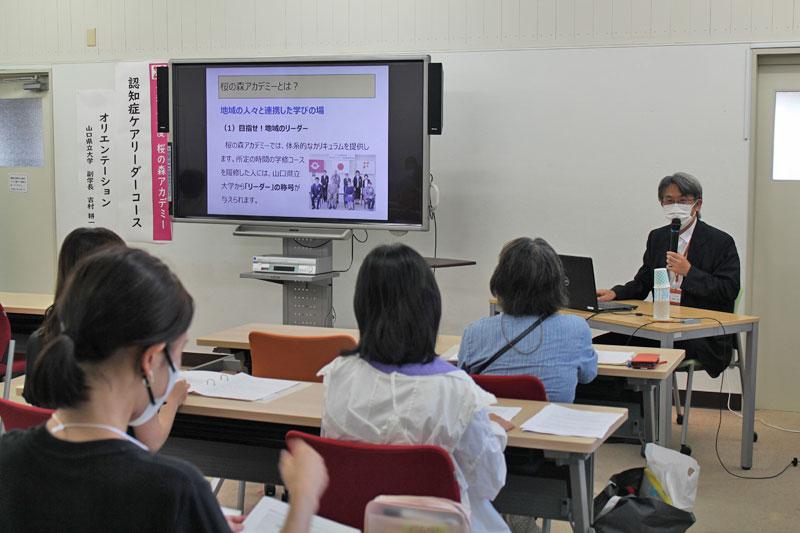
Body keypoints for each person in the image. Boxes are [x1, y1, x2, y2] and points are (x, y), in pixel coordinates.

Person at [0, 247, 329, 532]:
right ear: (151, 359)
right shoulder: (171, 489)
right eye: (179, 351)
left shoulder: (7, 458)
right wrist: (302, 500)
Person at [319, 244, 511, 532]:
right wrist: (493, 431)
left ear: (362, 304)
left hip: (354, 524)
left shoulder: (338, 374)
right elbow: (489, 484)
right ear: (429, 305)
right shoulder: (457, 391)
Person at [21, 227, 187, 453]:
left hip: (48, 462)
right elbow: (151, 441)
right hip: (119, 462)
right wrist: (173, 401)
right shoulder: (123, 354)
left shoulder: (39, 341)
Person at [595, 172, 741, 377]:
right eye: (669, 201)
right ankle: (627, 405)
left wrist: (689, 272)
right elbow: (643, 281)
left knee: (635, 355)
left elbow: (728, 290)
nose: (675, 206)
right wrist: (615, 293)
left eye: (682, 201)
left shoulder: (721, 242)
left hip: (699, 334)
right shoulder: (658, 237)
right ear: (661, 203)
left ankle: (640, 401)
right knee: (599, 348)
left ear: (697, 205)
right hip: (660, 326)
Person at [458, 238, 597, 403]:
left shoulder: (474, 332)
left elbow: (462, 385)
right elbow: (587, 376)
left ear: (500, 281)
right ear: (558, 284)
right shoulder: (576, 328)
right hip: (552, 425)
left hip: (494, 424)